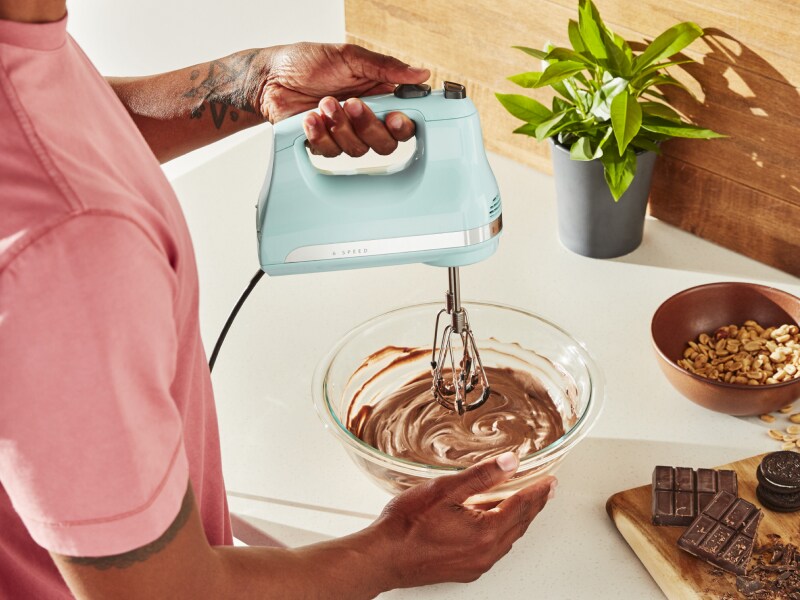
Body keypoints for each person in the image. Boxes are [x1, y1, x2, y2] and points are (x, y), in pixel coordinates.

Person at [0, 2, 557, 598]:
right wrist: (395, 554)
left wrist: (253, 82)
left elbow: (61, 124)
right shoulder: (72, 249)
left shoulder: (21, 41)